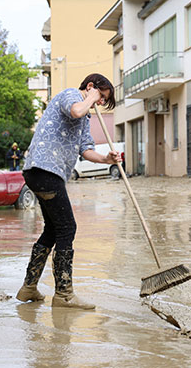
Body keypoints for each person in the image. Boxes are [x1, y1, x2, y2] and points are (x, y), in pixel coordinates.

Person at [16, 73, 120, 309]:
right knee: (67, 227)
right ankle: (64, 294)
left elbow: (86, 149)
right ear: (90, 87)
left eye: (103, 100)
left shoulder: (86, 115)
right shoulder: (71, 94)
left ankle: (28, 288)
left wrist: (106, 159)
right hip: (43, 170)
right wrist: (90, 98)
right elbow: (75, 110)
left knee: (53, 229)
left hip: (45, 174)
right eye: (101, 96)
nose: (101, 103)